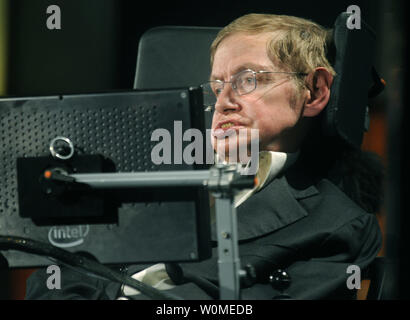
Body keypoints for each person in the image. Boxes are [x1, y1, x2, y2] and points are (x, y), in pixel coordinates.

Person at [25, 13, 383, 300]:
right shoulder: (137, 180)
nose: (223, 101)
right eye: (217, 85)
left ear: (315, 91)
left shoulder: (337, 225)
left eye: (247, 80)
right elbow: (52, 279)